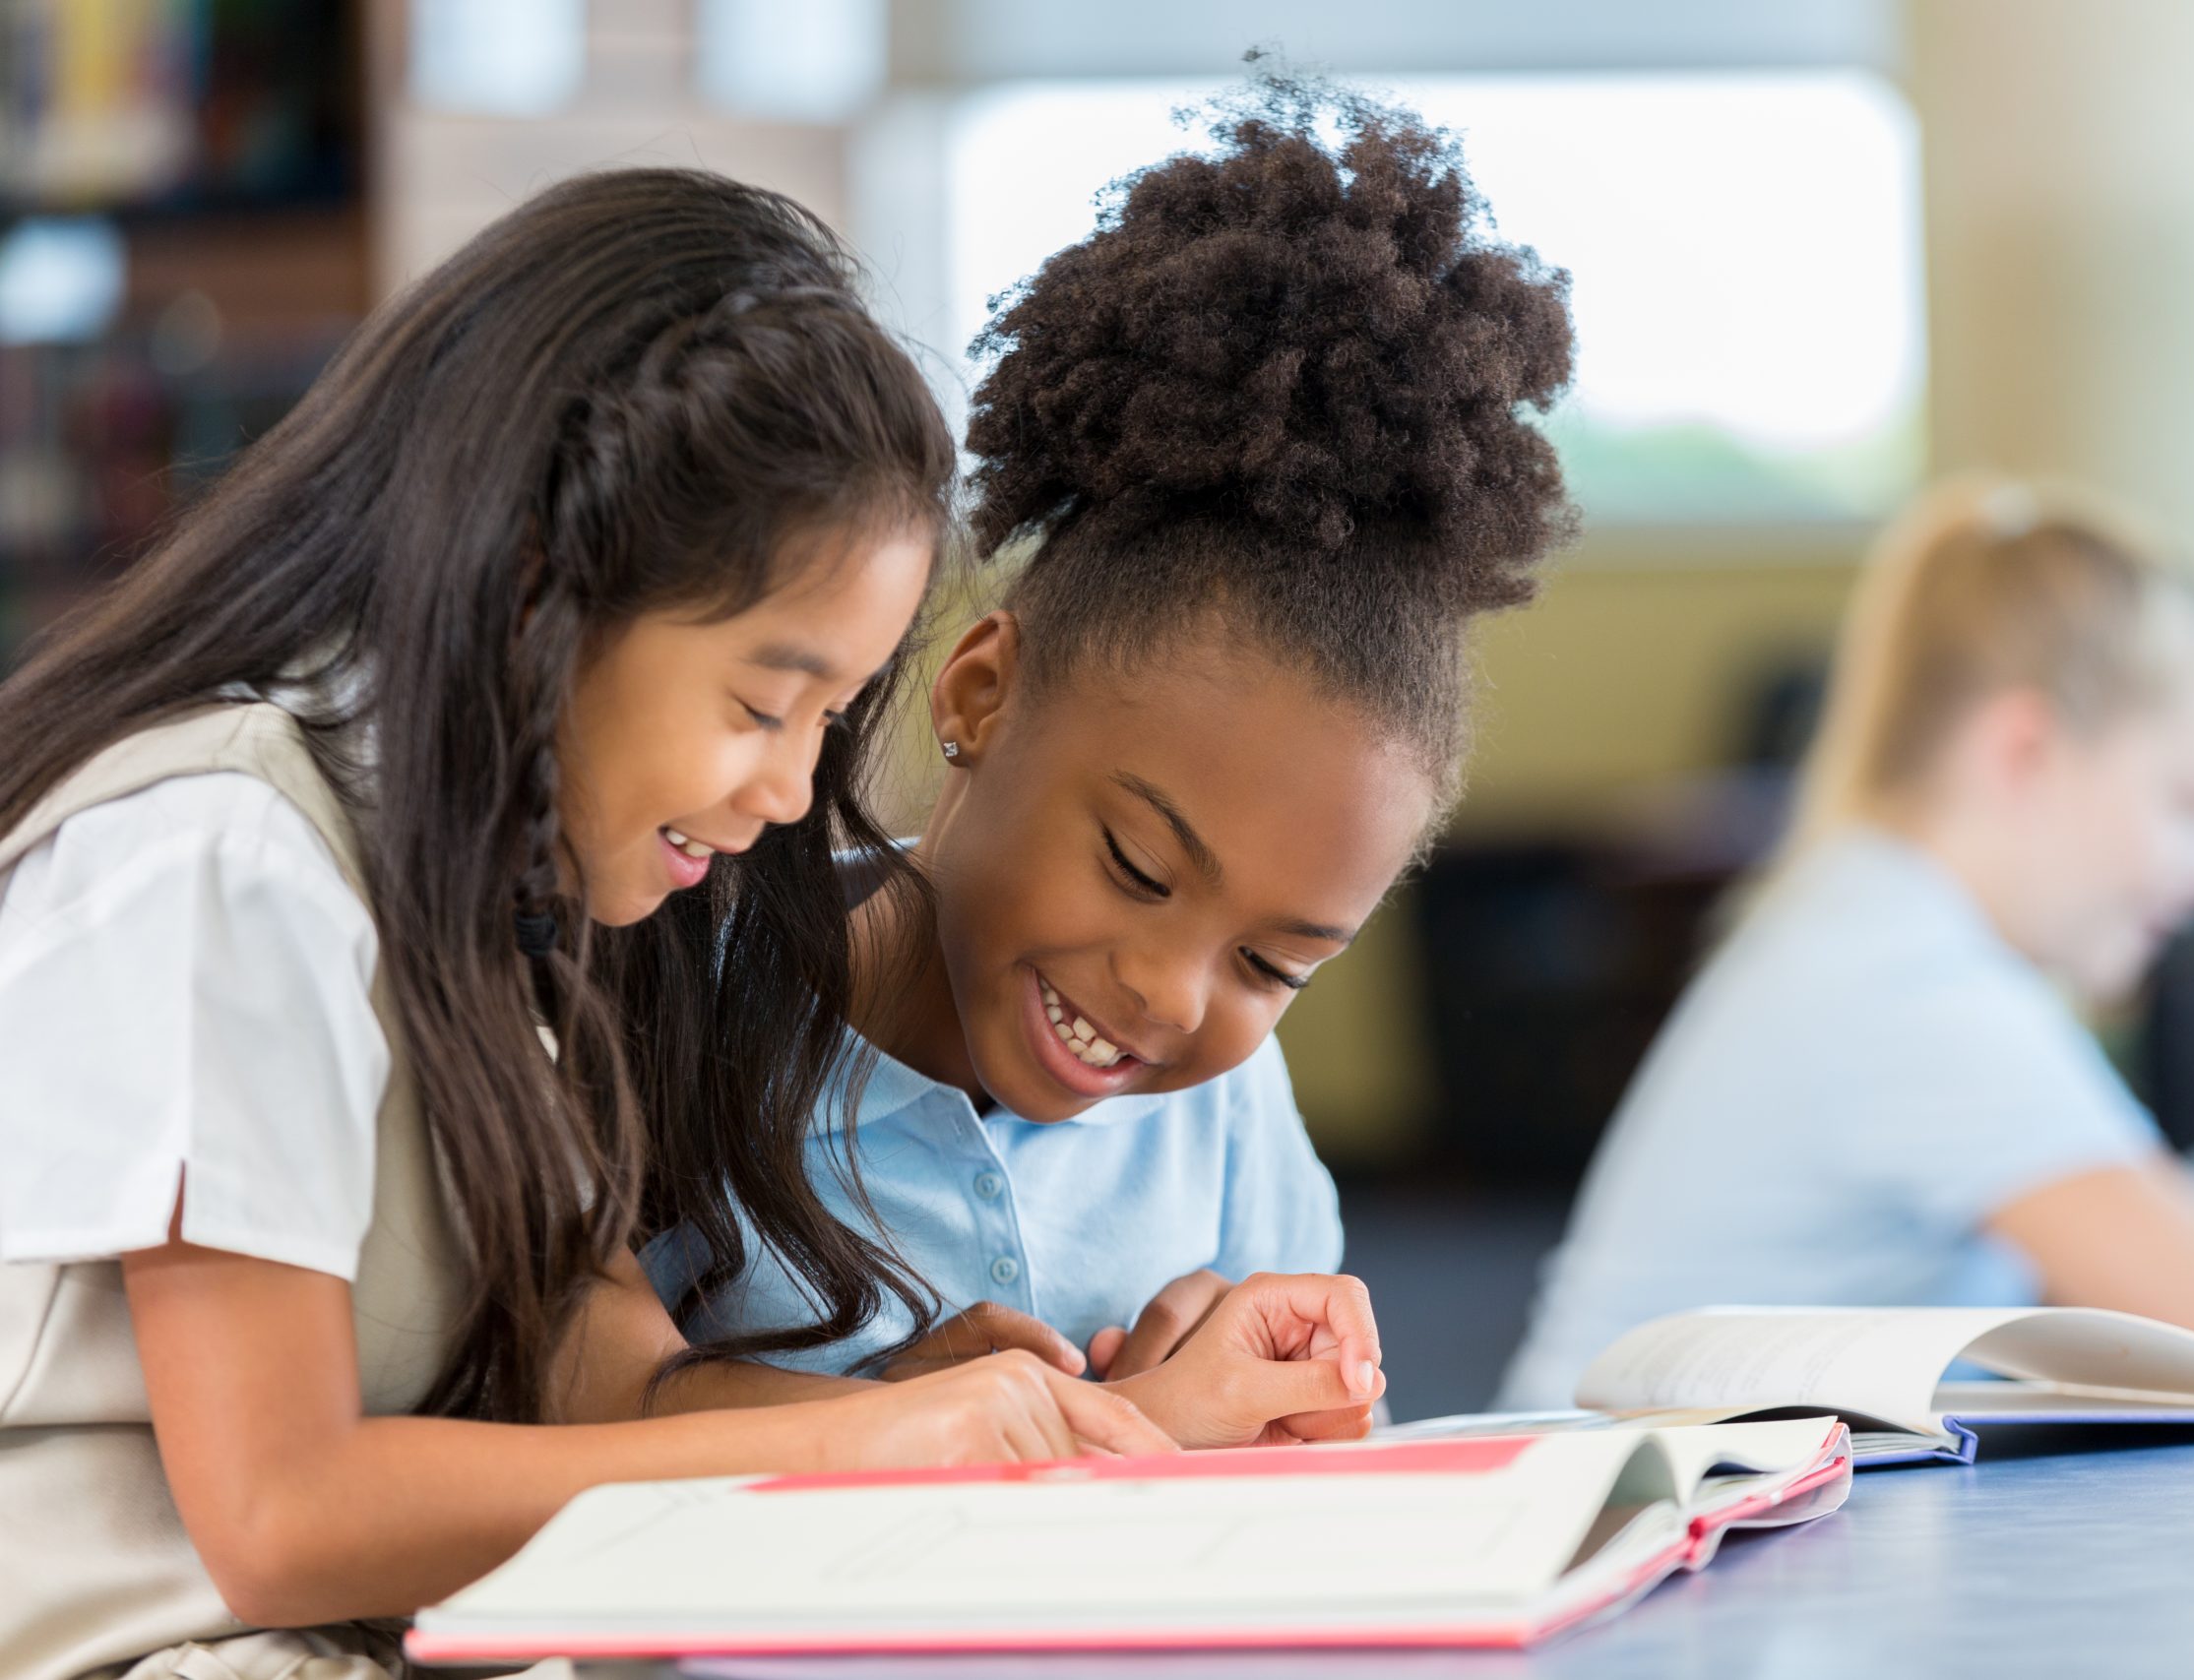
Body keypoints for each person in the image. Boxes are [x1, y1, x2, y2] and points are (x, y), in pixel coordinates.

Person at [0, 168, 1348, 1680]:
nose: (788, 791)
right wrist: (878, 1440)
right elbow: (279, 1511)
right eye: (766, 703)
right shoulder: (227, 856)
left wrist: (948, 1419)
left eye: (828, 720)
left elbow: (618, 1398)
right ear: (540, 592)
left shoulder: (496, 906)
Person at [651, 77, 1580, 1443]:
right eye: (1140, 865)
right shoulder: (689, 1000)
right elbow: (579, 1412)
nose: (1168, 990)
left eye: (1273, 965)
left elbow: (1319, 1484)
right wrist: (897, 1417)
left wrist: (1288, 1421)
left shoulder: (1227, 1112)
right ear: (980, 693)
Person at [1497, 477, 2194, 1410]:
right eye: (2190, 804)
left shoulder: (1866, 917)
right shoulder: (1910, 984)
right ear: (2025, 751)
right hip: (1598, 1534)